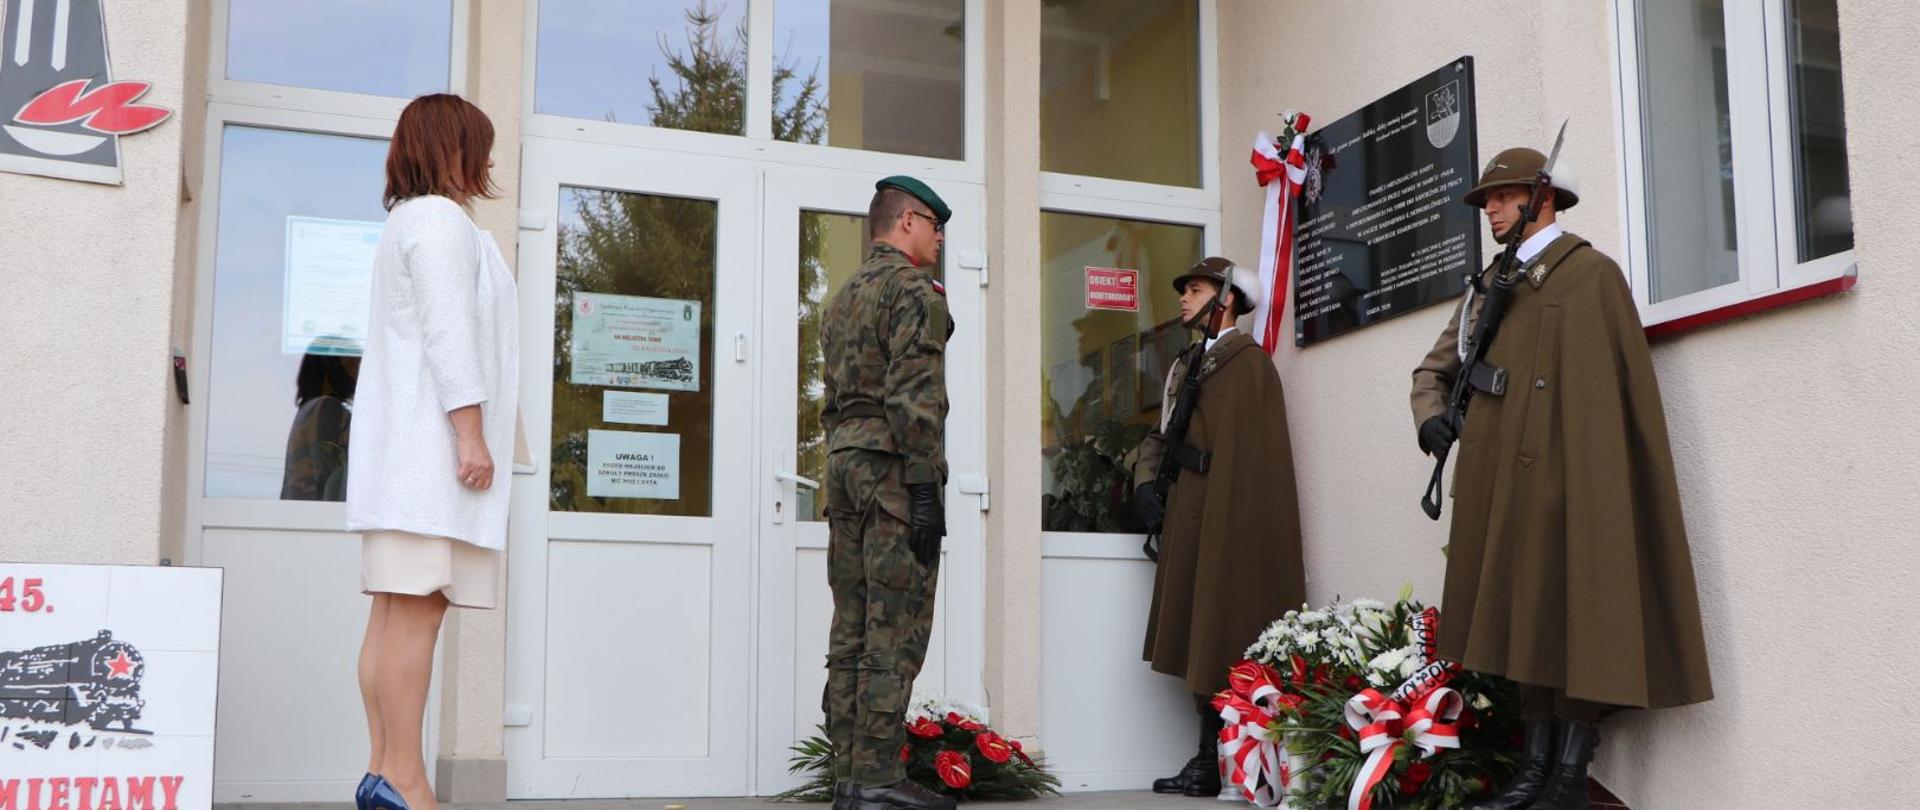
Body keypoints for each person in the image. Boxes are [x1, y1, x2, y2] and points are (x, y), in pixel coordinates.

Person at [1410, 147, 1713, 810]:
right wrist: (1432, 418)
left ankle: (1568, 775)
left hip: (1566, 486)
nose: (1489, 208)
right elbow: (1434, 368)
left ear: (1541, 197)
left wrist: (1593, 490)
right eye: (1486, 200)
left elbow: (1613, 402)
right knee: (1522, 623)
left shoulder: (1590, 277)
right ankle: (1533, 769)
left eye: (1501, 196)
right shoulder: (1490, 283)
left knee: (1572, 622)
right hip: (1497, 484)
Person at [344, 93, 519, 810]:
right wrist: (472, 436)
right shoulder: (442, 223)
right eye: (479, 145)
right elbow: (452, 336)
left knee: (392, 611)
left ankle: (383, 769)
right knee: (416, 612)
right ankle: (407, 780)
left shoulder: (404, 223)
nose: (486, 161)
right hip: (432, 458)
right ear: (453, 149)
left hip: (403, 458)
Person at [1131, 257, 1304, 798]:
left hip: (1224, 521)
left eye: (1197, 289)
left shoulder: (1249, 366)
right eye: (1184, 289)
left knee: (1217, 632)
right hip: (1189, 511)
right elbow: (1163, 434)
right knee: (1192, 633)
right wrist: (1144, 483)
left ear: (1225, 298)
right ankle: (1204, 758)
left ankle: (1213, 760)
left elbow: (1254, 460)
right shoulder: (1187, 363)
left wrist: (1228, 522)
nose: (1184, 298)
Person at [818, 176, 957, 810]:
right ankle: (877, 779)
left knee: (851, 624)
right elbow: (914, 395)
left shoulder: (842, 296)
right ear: (907, 221)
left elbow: (832, 404)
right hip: (894, 472)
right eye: (934, 224)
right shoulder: (911, 290)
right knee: (893, 628)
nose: (939, 237)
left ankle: (848, 777)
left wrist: (843, 460)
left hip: (845, 468)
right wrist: (925, 488)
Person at [281, 348, 358, 501]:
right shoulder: (327, 408)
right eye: (355, 361)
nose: (360, 369)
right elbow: (335, 479)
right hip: (321, 517)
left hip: (303, 515)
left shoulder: (309, 411)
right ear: (335, 366)